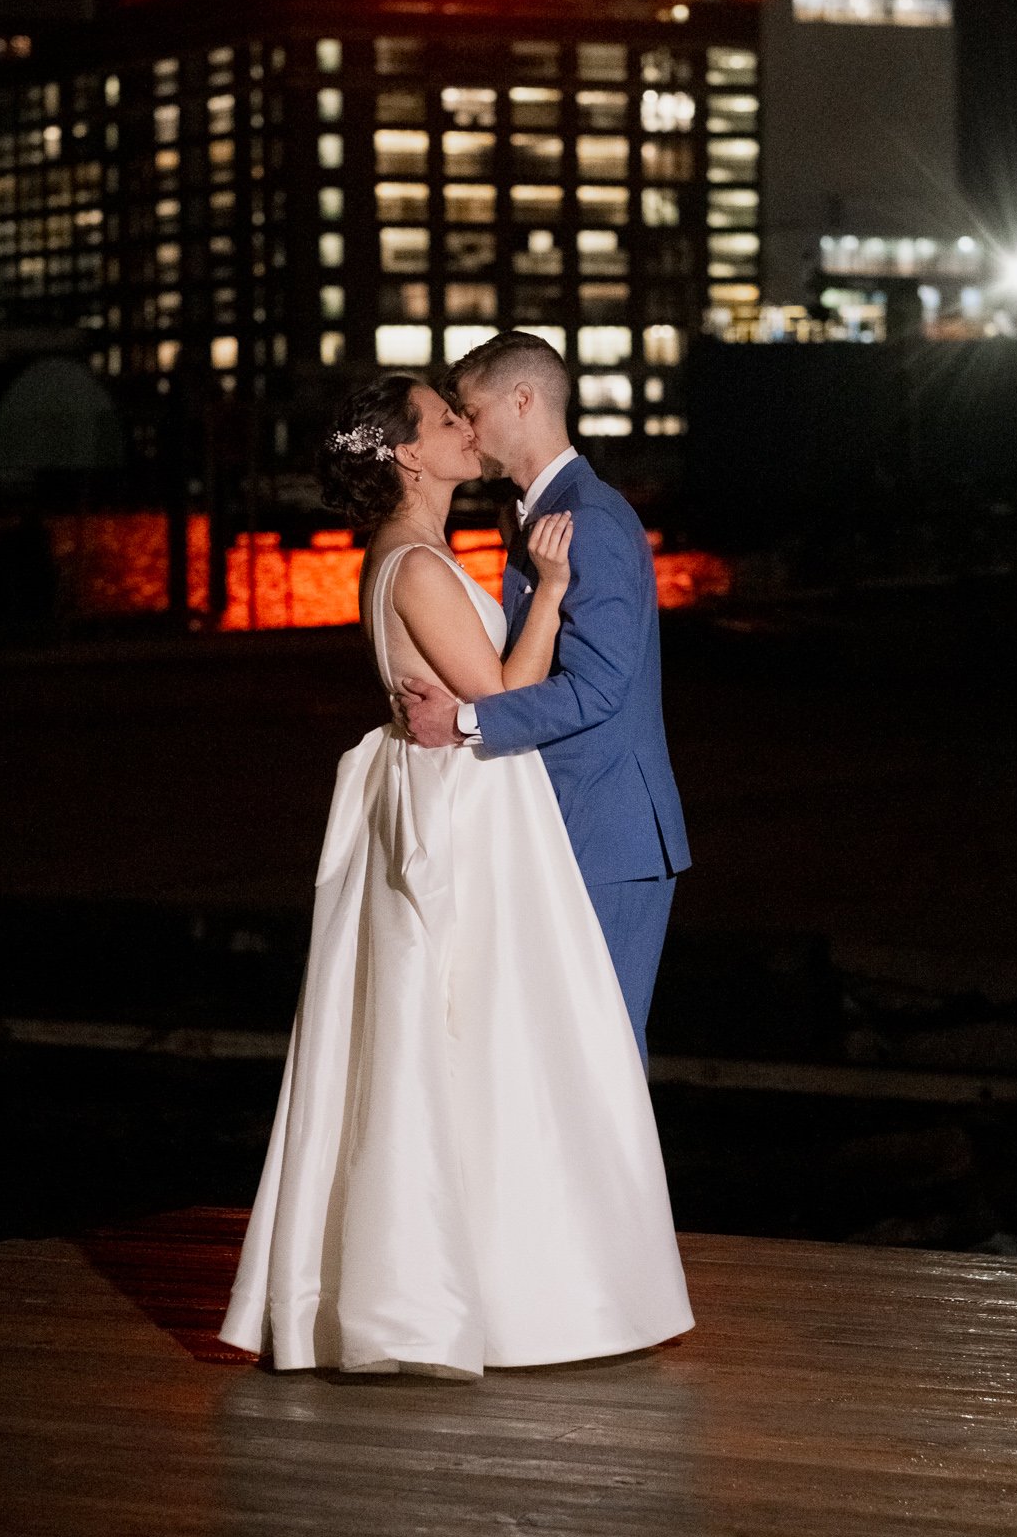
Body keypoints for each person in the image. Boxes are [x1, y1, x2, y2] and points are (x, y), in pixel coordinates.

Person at [219, 373, 692, 1377]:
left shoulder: (413, 552)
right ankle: (509, 1283)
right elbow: (507, 688)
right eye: (443, 421)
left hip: (454, 796)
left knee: (471, 1041)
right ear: (406, 454)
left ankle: (487, 1266)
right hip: (464, 811)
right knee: (485, 1038)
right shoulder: (418, 562)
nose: (461, 429)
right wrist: (554, 592)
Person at [401, 330, 689, 1067]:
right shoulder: (541, 517)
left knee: (601, 1065)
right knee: (559, 1063)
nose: (465, 428)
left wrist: (463, 720)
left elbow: (599, 685)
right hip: (567, 825)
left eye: (471, 408)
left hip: (606, 831)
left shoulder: (586, 520)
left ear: (522, 400)